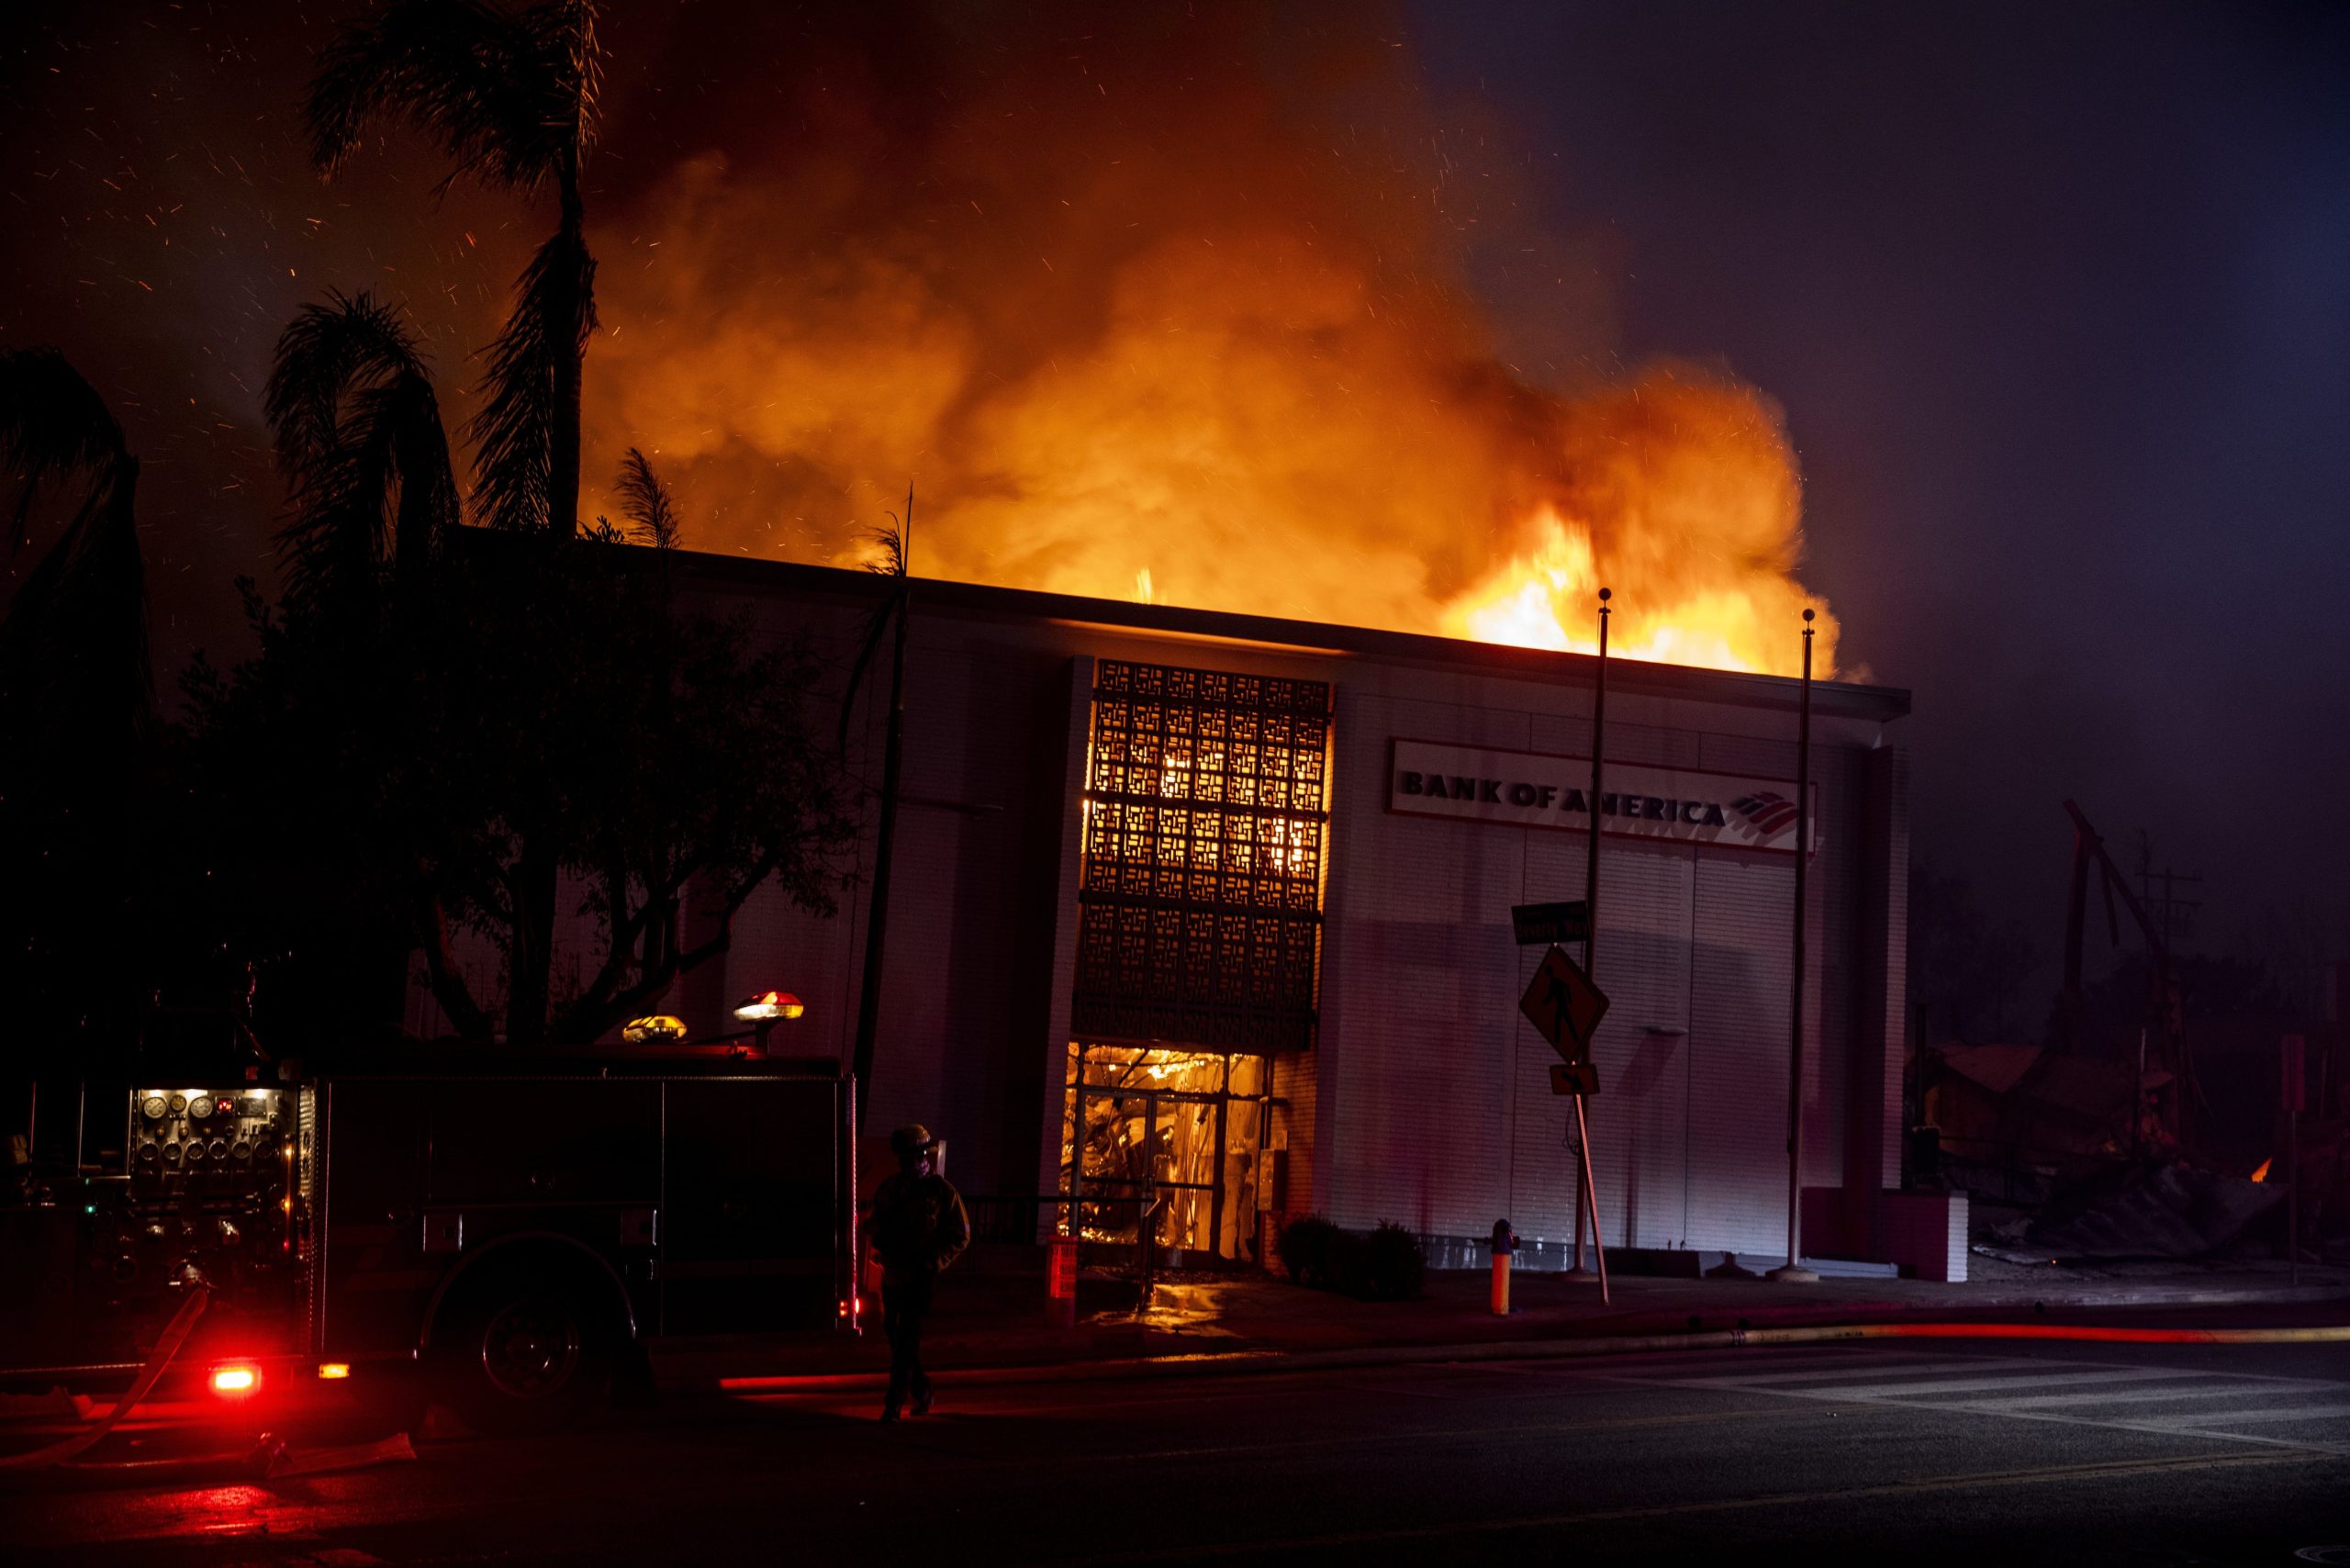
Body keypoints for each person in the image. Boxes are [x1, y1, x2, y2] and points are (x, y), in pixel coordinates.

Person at [868, 1123, 970, 1422]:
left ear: (923, 1155)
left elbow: (961, 1235)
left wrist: (934, 1262)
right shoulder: (890, 1188)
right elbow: (877, 1221)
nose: (908, 1163)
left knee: (907, 1338)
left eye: (913, 1157)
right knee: (896, 1338)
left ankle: (894, 1404)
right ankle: (922, 1389)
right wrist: (873, 1232)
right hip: (892, 1275)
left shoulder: (941, 1192)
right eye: (903, 1158)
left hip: (919, 1277)